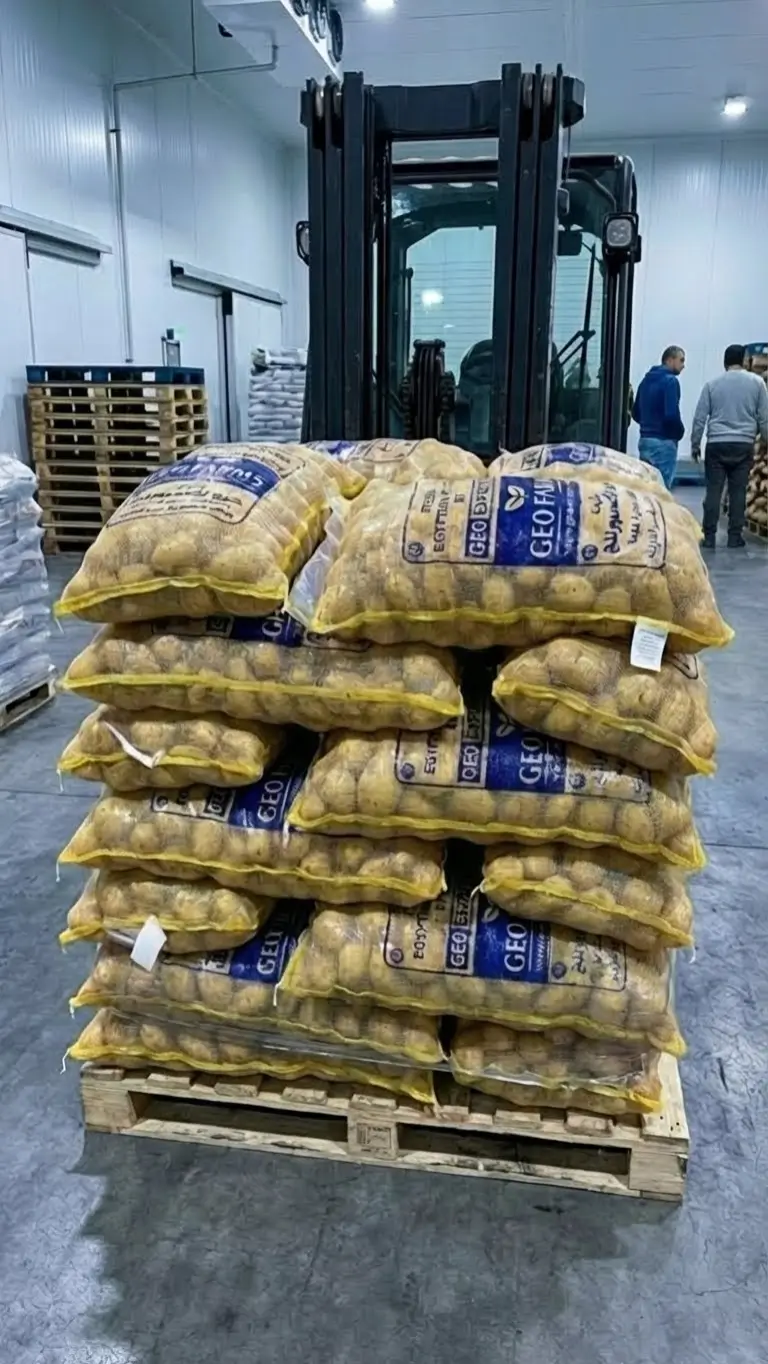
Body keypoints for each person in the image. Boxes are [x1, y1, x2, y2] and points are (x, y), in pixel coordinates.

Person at [692, 344, 768, 548]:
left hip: (717, 444)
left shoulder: (712, 384)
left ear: (725, 361)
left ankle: (709, 536)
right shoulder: (757, 383)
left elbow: (700, 417)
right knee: (738, 491)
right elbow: (764, 417)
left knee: (714, 491)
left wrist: (695, 444)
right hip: (743, 444)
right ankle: (735, 537)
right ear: (744, 360)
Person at [632, 346, 686, 490]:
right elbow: (671, 415)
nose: (683, 365)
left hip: (645, 441)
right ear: (670, 360)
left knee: (646, 490)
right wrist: (679, 433)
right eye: (681, 360)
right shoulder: (670, 382)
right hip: (663, 443)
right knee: (662, 491)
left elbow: (636, 412)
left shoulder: (645, 381)